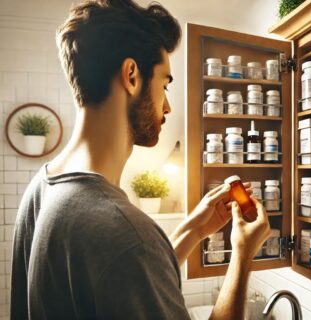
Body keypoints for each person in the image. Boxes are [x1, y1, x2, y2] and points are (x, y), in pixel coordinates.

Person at [10, 0, 271, 319]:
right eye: (164, 84)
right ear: (132, 76)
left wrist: (192, 230)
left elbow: (122, 281)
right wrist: (242, 257)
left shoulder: (41, 187)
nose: (167, 107)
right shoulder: (125, 232)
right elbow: (131, 254)